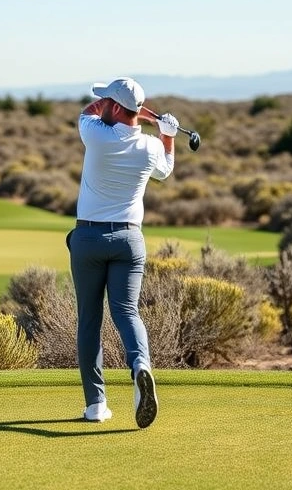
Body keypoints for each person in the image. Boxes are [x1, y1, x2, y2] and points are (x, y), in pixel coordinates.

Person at [67, 76, 177, 428]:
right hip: (130, 241)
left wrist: (137, 114)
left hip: (88, 240)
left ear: (114, 107)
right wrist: (166, 132)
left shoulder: (96, 135)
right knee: (127, 312)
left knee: (90, 319)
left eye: (106, 102)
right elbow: (166, 168)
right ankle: (140, 365)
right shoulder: (149, 148)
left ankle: (96, 405)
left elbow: (88, 112)